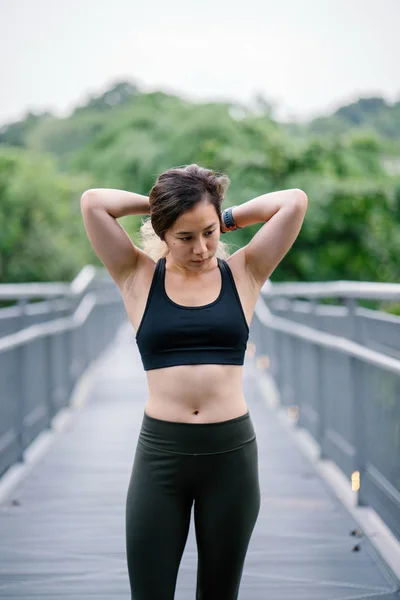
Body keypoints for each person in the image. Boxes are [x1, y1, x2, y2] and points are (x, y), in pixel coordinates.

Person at [80, 164, 307, 599]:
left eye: (209, 232)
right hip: (161, 458)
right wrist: (166, 205)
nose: (202, 248)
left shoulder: (245, 272)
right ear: (163, 234)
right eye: (184, 237)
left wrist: (220, 212)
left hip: (232, 457)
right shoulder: (137, 276)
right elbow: (93, 203)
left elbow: (294, 200)